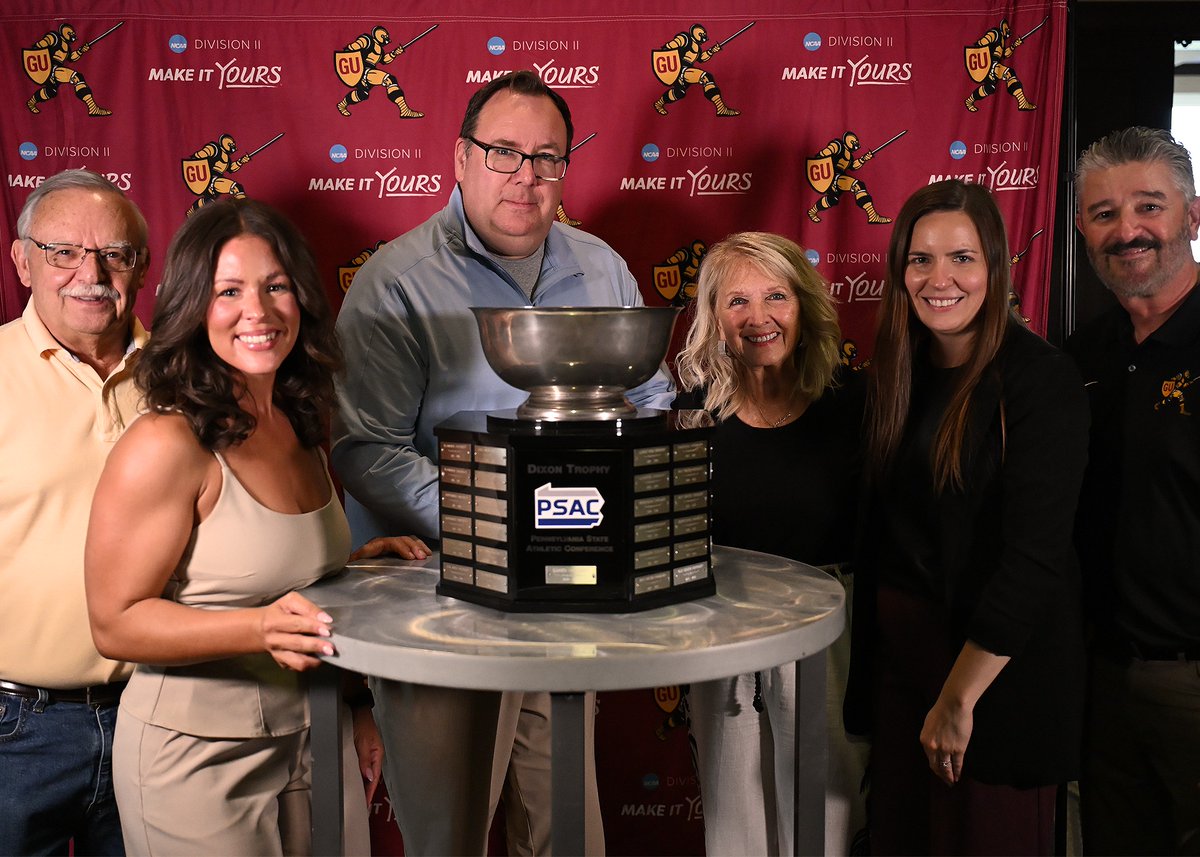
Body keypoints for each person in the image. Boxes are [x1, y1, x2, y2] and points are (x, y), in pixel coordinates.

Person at [332, 69, 675, 855]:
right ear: (459, 159)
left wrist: (606, 497)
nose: (527, 175)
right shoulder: (397, 284)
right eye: (504, 152)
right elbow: (366, 449)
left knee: (567, 834)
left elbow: (653, 397)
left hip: (568, 598)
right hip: (440, 604)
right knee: (450, 837)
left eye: (547, 157)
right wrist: (505, 518)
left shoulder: (602, 268)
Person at [83, 198, 423, 854]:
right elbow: (115, 620)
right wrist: (257, 627)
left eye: (276, 287)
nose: (259, 312)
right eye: (229, 291)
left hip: (315, 739)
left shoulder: (299, 422)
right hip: (198, 761)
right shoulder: (166, 442)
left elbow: (276, 578)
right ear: (191, 305)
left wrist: (352, 572)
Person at [845, 179, 1089, 854]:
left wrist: (957, 700)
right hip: (900, 668)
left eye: (962, 257)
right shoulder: (895, 375)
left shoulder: (1040, 381)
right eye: (921, 259)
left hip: (993, 680)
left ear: (995, 267)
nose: (939, 277)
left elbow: (1033, 560)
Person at [674, 232, 865, 855]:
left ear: (803, 306)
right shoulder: (693, 414)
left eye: (776, 296)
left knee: (827, 816)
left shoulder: (854, 405)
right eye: (737, 302)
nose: (759, 318)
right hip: (724, 631)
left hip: (831, 634)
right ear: (714, 319)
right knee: (734, 817)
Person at [0, 169, 147, 855]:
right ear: (22, 259)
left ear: (140, 267)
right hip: (15, 732)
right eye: (63, 251)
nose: (90, 273)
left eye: (114, 254)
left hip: (157, 712)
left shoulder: (186, 378)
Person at [1067, 126, 1200, 855]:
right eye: (1105, 213)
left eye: (1149, 206)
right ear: (1083, 229)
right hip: (1104, 680)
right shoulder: (1082, 355)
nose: (1128, 230)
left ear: (1193, 215)